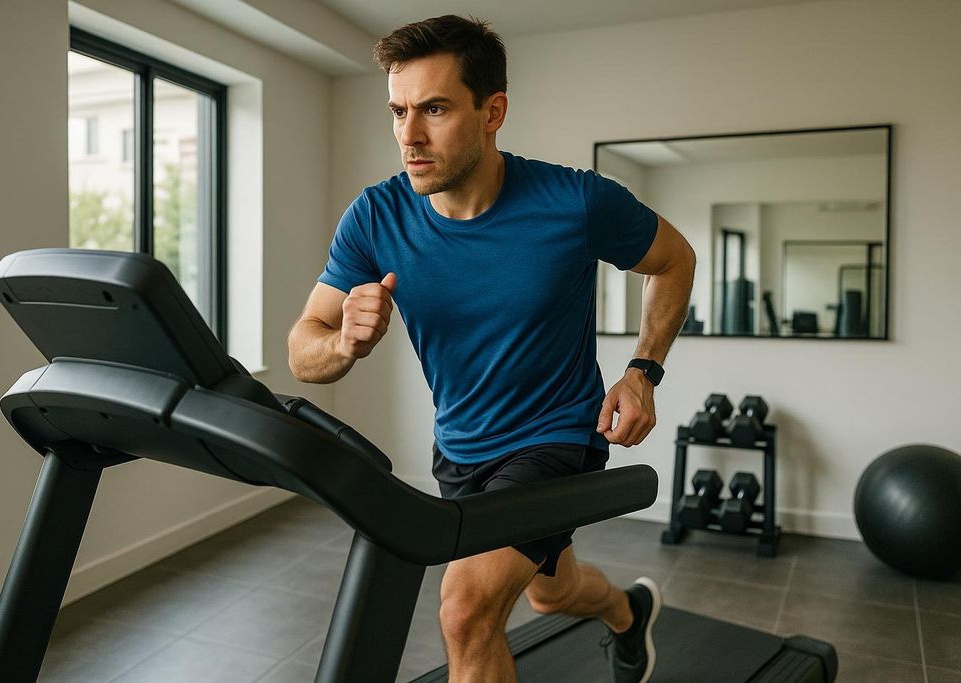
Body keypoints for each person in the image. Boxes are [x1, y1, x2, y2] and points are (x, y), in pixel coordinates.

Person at [287, 15, 695, 683]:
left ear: (492, 110)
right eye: (398, 111)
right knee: (550, 591)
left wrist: (643, 371)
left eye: (435, 109)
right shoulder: (375, 216)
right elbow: (304, 345)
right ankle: (629, 614)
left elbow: (674, 259)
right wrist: (343, 341)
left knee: (466, 609)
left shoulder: (574, 201)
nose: (409, 136)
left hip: (559, 434)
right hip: (462, 447)